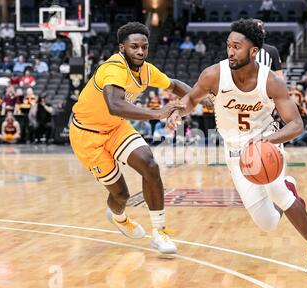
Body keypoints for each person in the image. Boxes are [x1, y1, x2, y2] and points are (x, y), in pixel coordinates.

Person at [166, 19, 307, 274]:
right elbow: (192, 99)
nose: (230, 51)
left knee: (277, 192)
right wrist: (180, 110)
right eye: (228, 46)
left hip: (266, 143)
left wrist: (268, 140)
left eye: (237, 47)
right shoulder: (213, 74)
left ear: (253, 51)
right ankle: (290, 187)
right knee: (267, 223)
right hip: (235, 153)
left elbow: (296, 124)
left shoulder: (271, 82)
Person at [69, 22, 208, 255]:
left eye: (144, 46)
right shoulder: (112, 69)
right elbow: (114, 105)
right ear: (122, 48)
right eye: (134, 47)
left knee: (150, 165)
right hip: (87, 135)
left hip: (115, 129)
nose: (140, 51)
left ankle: (159, 232)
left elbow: (173, 85)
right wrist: (157, 113)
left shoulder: (146, 70)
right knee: (121, 195)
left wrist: (202, 97)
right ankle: (119, 217)